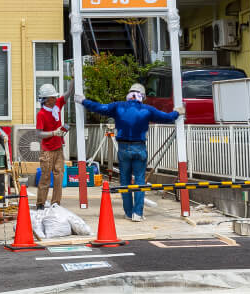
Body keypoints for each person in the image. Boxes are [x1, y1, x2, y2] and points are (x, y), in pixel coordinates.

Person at [74, 83, 184, 222]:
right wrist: (177, 112)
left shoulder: (118, 106)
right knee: (139, 180)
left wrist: (83, 100)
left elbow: (99, 108)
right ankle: (137, 214)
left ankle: (128, 212)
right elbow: (166, 117)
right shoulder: (147, 109)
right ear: (142, 96)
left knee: (125, 181)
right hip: (139, 147)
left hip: (123, 148)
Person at [35, 83, 67, 210]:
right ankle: (40, 204)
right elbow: (39, 134)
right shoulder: (41, 114)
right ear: (47, 100)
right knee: (45, 177)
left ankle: (56, 203)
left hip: (58, 148)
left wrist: (73, 80)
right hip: (47, 151)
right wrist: (54, 133)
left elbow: (67, 95)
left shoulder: (57, 106)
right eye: (53, 97)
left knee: (59, 176)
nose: (55, 98)